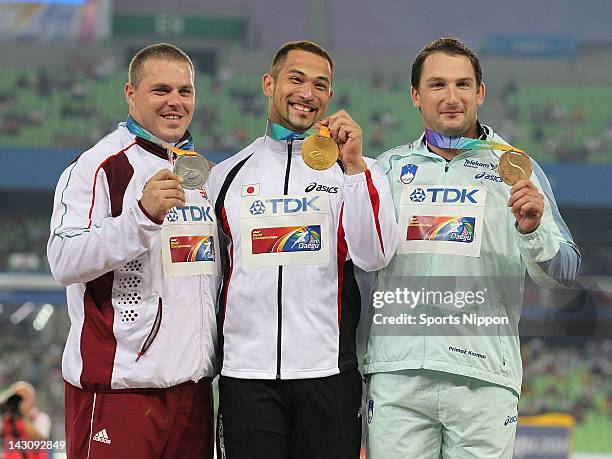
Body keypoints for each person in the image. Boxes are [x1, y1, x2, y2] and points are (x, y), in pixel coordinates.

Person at [364, 37, 581, 459]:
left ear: (480, 93)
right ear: (416, 96)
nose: (451, 97)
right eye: (437, 85)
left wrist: (533, 230)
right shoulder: (384, 171)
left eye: (463, 85)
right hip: (398, 374)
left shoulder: (517, 168)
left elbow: (567, 272)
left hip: (482, 377)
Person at [207, 40, 399, 459]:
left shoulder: (356, 172)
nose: (307, 93)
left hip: (328, 373)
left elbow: (374, 255)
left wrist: (353, 167)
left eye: (321, 85)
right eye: (296, 79)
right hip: (246, 376)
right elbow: (212, 279)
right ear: (268, 83)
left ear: (330, 96)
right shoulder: (224, 177)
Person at [47, 43, 218, 458]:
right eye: (161, 90)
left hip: (192, 394)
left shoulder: (203, 174)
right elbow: (63, 260)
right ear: (130, 94)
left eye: (185, 91)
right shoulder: (99, 165)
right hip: (120, 389)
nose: (175, 102)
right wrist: (140, 215)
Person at [1, 381, 51, 459]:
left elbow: (40, 438)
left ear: (32, 400)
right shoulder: (7, 418)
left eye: (23, 398)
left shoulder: (40, 417)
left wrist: (23, 415)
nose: (19, 402)